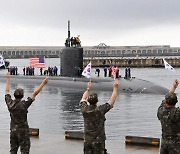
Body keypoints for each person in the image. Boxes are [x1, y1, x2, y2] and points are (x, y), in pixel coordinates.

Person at [5, 72, 48, 154]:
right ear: (22, 95)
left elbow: (7, 91)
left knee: (13, 151)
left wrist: (7, 79)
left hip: (13, 132)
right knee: (25, 151)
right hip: (23, 132)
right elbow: (35, 93)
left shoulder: (10, 104)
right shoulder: (24, 104)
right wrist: (43, 83)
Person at [80, 80, 119, 154]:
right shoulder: (100, 110)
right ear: (97, 101)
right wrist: (115, 88)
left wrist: (88, 89)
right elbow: (111, 101)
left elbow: (83, 98)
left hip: (87, 140)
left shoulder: (84, 109)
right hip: (99, 141)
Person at [157, 79, 180, 154]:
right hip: (176, 145)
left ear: (166, 101)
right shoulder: (177, 113)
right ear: (176, 102)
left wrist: (173, 88)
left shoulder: (161, 111)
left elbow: (165, 101)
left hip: (164, 144)